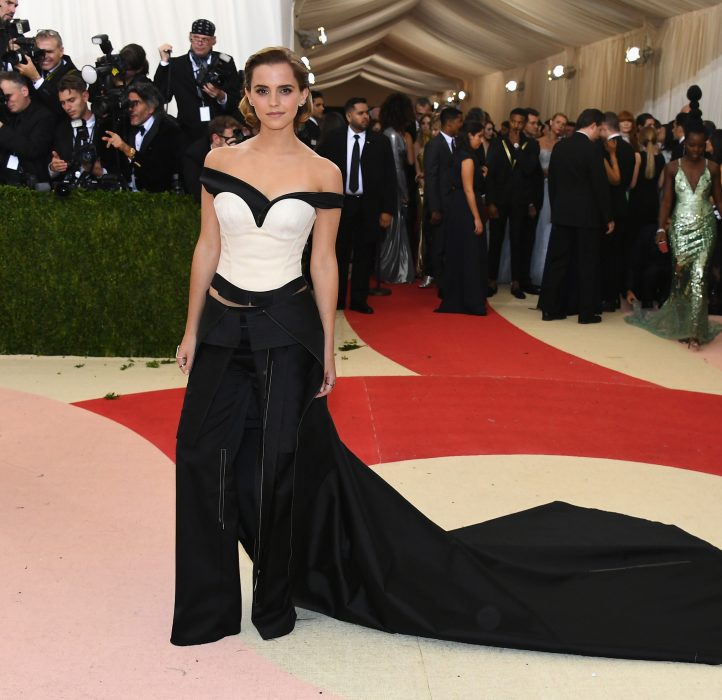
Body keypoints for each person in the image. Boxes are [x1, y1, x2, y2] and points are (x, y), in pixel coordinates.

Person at [169, 49, 722, 662]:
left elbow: (323, 262)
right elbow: (206, 247)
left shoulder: (324, 172)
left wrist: (328, 346)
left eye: (285, 89)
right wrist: (192, 329)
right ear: (248, 96)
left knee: (278, 472)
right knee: (199, 457)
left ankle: (272, 601)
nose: (274, 101)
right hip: (222, 327)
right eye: (263, 90)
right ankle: (206, 604)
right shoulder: (219, 160)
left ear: (302, 96)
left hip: (287, 331)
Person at [626, 87, 722, 349]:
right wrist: (661, 229)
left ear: (706, 145)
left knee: (700, 276)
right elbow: (667, 200)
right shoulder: (671, 168)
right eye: (691, 145)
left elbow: (719, 200)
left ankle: (695, 330)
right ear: (685, 144)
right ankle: (680, 323)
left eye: (700, 146)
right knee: (679, 277)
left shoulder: (713, 168)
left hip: (705, 227)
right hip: (679, 227)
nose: (695, 150)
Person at [317, 96, 396, 313]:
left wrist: (388, 210)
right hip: (341, 206)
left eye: (367, 113)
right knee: (339, 254)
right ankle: (339, 299)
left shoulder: (380, 141)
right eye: (360, 113)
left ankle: (360, 300)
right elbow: (319, 170)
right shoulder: (333, 139)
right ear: (349, 115)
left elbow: (390, 177)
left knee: (364, 254)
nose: (365, 117)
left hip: (369, 206)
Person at [539, 108, 612, 324]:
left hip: (562, 213)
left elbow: (552, 181)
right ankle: (586, 313)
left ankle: (550, 309)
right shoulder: (592, 151)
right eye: (599, 128)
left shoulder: (560, 147)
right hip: (587, 217)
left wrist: (555, 208)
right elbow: (600, 187)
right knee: (587, 264)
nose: (600, 133)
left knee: (557, 262)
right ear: (592, 126)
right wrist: (607, 216)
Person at [485, 107, 543, 299]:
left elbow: (529, 170)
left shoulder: (532, 145)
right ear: (509, 121)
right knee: (495, 240)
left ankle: (516, 282)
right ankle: (491, 279)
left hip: (520, 201)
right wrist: (491, 201)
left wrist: (517, 148)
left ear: (525, 123)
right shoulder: (497, 142)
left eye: (520, 122)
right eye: (514, 121)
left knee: (518, 241)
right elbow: (491, 174)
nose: (517, 125)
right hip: (499, 200)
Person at [154, 19, 241, 145]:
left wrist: (221, 96)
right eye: (196, 38)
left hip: (221, 134)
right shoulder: (176, 65)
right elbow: (161, 97)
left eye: (205, 39)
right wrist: (164, 63)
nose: (199, 43)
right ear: (190, 37)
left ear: (213, 40)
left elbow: (236, 99)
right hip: (188, 133)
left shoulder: (225, 61)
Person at [434, 120, 487, 315]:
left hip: (458, 207)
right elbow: (468, 189)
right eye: (479, 136)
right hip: (465, 209)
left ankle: (463, 297)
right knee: (469, 254)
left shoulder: (461, 154)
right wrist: (477, 218)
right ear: (470, 135)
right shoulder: (467, 158)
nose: (481, 140)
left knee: (460, 252)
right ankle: (469, 300)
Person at [102, 81, 183, 192]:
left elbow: (157, 171)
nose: (130, 109)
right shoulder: (123, 126)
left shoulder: (168, 129)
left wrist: (126, 149)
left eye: (135, 103)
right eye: (128, 103)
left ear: (151, 107)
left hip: (158, 197)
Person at [624, 125, 668, 308]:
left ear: (640, 140)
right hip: (652, 207)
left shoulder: (637, 157)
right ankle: (647, 292)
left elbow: (632, 184)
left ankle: (630, 289)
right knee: (649, 251)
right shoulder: (661, 159)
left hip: (636, 207)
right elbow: (660, 184)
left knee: (633, 249)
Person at [421, 106, 463, 290]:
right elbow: (431, 176)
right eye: (459, 121)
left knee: (450, 242)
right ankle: (436, 278)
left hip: (455, 201)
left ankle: (448, 276)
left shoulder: (459, 143)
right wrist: (435, 208)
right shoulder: (434, 144)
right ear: (450, 123)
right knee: (437, 243)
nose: (461, 125)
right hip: (440, 202)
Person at [378, 92, 415, 284]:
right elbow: (395, 168)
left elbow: (409, 160)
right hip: (393, 189)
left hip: (398, 186)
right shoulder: (391, 134)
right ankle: (391, 271)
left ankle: (398, 269)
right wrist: (403, 192)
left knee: (398, 230)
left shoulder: (399, 133)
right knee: (392, 232)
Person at [529, 112, 566, 288]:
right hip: (539, 188)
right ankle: (534, 272)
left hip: (555, 190)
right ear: (551, 123)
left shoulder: (563, 145)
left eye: (563, 124)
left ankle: (545, 272)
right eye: (558, 122)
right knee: (538, 229)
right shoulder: (538, 142)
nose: (560, 126)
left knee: (549, 230)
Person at [0, 70, 54, 185]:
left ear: (24, 91)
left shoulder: (43, 115)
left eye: (9, 96)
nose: (6, 102)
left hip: (32, 184)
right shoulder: (5, 114)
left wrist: (2, 129)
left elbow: (33, 149)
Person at [13, 29, 76, 124]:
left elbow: (62, 108)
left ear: (61, 51)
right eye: (40, 52)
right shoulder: (29, 68)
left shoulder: (74, 75)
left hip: (60, 132)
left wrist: (36, 79)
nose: (44, 56)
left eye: (50, 51)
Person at [183, 115, 243, 203]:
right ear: (216, 139)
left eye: (238, 138)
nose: (236, 143)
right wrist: (224, 158)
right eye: (232, 140)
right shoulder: (194, 155)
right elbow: (197, 192)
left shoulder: (240, 149)